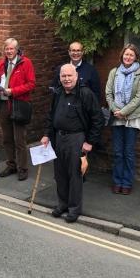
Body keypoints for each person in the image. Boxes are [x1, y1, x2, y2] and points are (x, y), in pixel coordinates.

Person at [41, 64, 104, 223]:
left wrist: (90, 142)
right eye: (64, 76)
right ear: (60, 78)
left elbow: (98, 119)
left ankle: (74, 208)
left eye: (70, 76)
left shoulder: (85, 94)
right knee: (60, 174)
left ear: (76, 77)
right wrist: (47, 134)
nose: (67, 79)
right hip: (58, 138)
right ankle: (62, 204)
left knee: (75, 175)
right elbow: (51, 115)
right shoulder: (57, 93)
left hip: (77, 139)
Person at [105, 43, 140, 195]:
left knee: (128, 152)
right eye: (126, 54)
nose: (128, 57)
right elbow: (109, 93)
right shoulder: (114, 72)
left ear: (136, 57)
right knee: (117, 152)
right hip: (117, 117)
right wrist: (115, 109)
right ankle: (117, 181)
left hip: (133, 118)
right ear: (122, 55)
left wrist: (124, 111)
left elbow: (139, 97)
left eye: (131, 55)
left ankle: (127, 182)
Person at [0, 38, 35, 181]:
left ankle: (22, 168)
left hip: (18, 105)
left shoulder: (25, 63)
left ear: (17, 50)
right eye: (7, 49)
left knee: (19, 139)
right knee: (7, 138)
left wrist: (13, 91)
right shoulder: (1, 63)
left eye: (12, 49)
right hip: (3, 105)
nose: (9, 51)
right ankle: (11, 165)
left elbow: (31, 84)